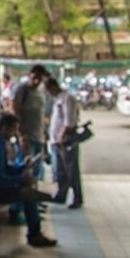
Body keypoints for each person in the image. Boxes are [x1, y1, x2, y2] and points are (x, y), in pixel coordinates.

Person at [0, 114, 57, 247]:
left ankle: (31, 228)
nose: (16, 133)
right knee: (28, 195)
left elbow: (5, 168)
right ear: (4, 128)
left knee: (28, 189)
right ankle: (34, 235)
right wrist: (19, 180)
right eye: (14, 129)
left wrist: (22, 166)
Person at [46, 78, 83, 209]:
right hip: (56, 140)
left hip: (65, 139)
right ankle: (61, 194)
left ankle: (77, 198)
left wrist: (61, 137)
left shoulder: (67, 99)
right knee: (60, 170)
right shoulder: (57, 100)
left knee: (71, 170)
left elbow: (69, 121)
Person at [12, 65, 49, 180]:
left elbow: (41, 113)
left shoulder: (41, 91)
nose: (37, 81)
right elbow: (16, 113)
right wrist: (21, 135)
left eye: (40, 78)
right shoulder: (22, 89)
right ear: (29, 76)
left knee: (37, 169)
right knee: (25, 168)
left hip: (39, 136)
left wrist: (44, 132)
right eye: (34, 78)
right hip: (27, 137)